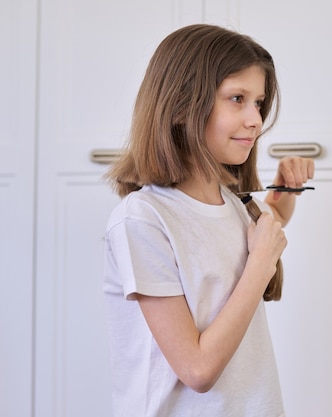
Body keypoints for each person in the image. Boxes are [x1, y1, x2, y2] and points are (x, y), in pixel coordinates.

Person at [102, 24, 314, 417]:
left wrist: (286, 189)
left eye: (259, 103)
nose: (256, 119)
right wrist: (260, 265)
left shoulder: (233, 204)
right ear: (182, 106)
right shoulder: (143, 220)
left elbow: (272, 219)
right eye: (238, 99)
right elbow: (197, 370)